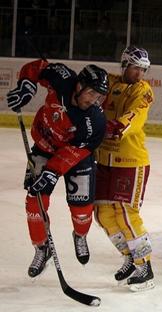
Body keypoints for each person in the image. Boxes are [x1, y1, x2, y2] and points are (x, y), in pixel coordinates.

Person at [6, 60, 108, 277]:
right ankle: (42, 249)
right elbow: (38, 67)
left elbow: (79, 150)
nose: (93, 100)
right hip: (44, 146)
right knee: (35, 200)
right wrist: (27, 86)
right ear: (79, 85)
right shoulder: (63, 78)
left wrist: (52, 172)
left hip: (76, 157)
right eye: (91, 93)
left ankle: (80, 236)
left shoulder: (95, 120)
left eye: (99, 97)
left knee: (82, 212)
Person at [94, 46, 155, 292]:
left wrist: (117, 126)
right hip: (104, 160)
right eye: (135, 68)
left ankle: (145, 267)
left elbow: (136, 115)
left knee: (126, 214)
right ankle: (129, 257)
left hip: (131, 162)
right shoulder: (109, 83)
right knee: (103, 213)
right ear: (124, 65)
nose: (139, 73)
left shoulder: (144, 91)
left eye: (143, 69)